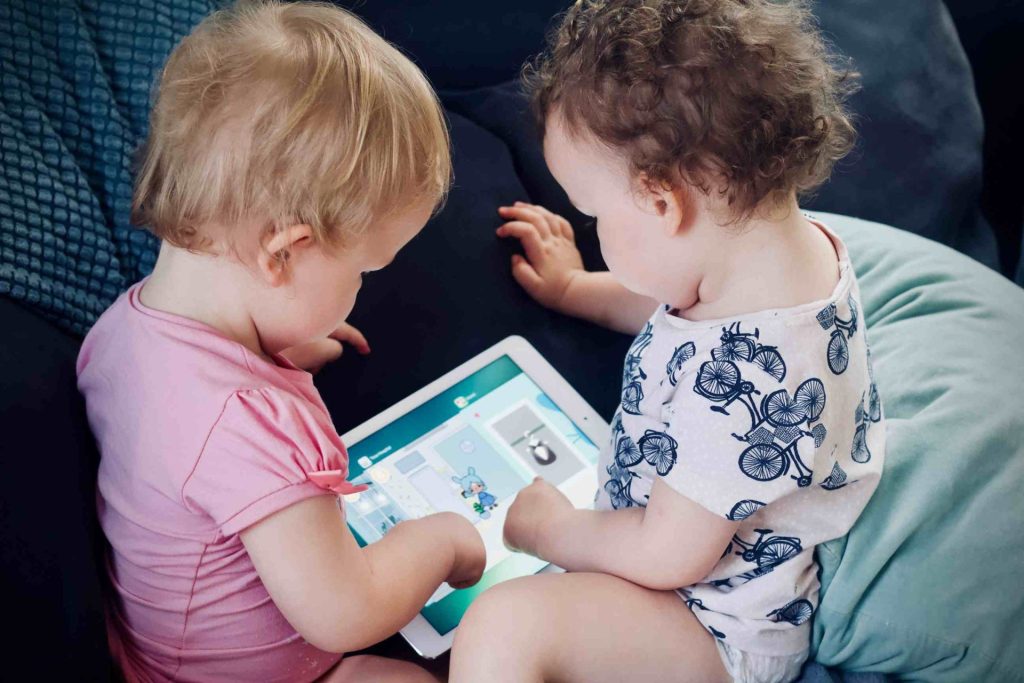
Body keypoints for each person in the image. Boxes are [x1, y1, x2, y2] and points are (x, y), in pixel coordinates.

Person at [450, 1, 885, 682]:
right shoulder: (761, 255)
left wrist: (550, 529)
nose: (589, 227)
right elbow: (678, 303)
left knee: (503, 624)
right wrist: (573, 289)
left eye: (592, 213)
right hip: (675, 570)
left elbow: (666, 554)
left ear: (662, 204)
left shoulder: (756, 388)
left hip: (711, 623)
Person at [76, 2, 484, 680]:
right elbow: (346, 612)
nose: (364, 289)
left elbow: (184, 447)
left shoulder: (123, 328)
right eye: (362, 270)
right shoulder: (254, 426)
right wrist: (438, 540)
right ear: (284, 253)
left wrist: (279, 345)